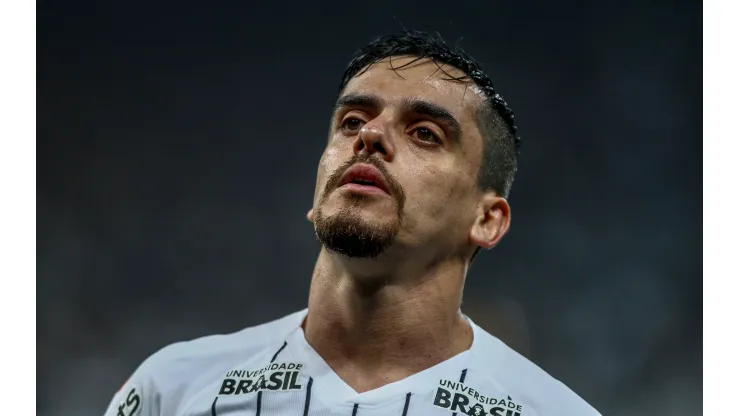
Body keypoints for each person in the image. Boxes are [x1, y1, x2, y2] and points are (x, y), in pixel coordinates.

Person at [104, 31, 600, 416]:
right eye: (351, 121)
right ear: (317, 195)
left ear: (487, 220)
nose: (370, 135)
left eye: (424, 133)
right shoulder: (172, 388)